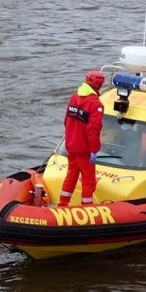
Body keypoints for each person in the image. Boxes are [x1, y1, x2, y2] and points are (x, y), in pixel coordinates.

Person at [59, 70, 105, 206]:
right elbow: (93, 130)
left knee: (71, 176)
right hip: (84, 149)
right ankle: (87, 208)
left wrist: (70, 140)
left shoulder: (74, 98)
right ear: (99, 85)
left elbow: (66, 121)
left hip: (71, 146)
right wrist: (94, 150)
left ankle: (62, 204)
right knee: (89, 181)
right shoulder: (95, 104)